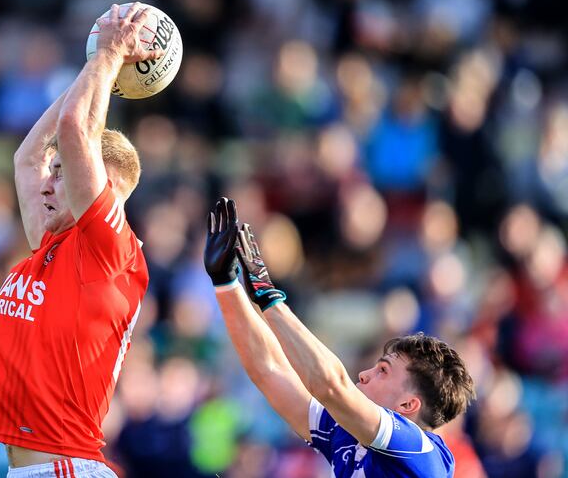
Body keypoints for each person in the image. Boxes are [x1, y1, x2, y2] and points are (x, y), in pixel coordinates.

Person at [0, 3, 162, 478]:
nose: (45, 183)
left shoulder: (107, 250)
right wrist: (94, 67)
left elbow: (75, 130)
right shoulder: (51, 245)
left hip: (67, 468)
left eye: (60, 173)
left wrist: (110, 55)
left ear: (105, 186)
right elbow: (27, 158)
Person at [203, 198, 476, 477]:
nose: (364, 374)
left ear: (407, 405)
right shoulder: (349, 436)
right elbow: (268, 370)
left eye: (383, 371)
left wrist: (268, 298)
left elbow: (332, 386)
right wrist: (226, 283)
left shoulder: (421, 452)